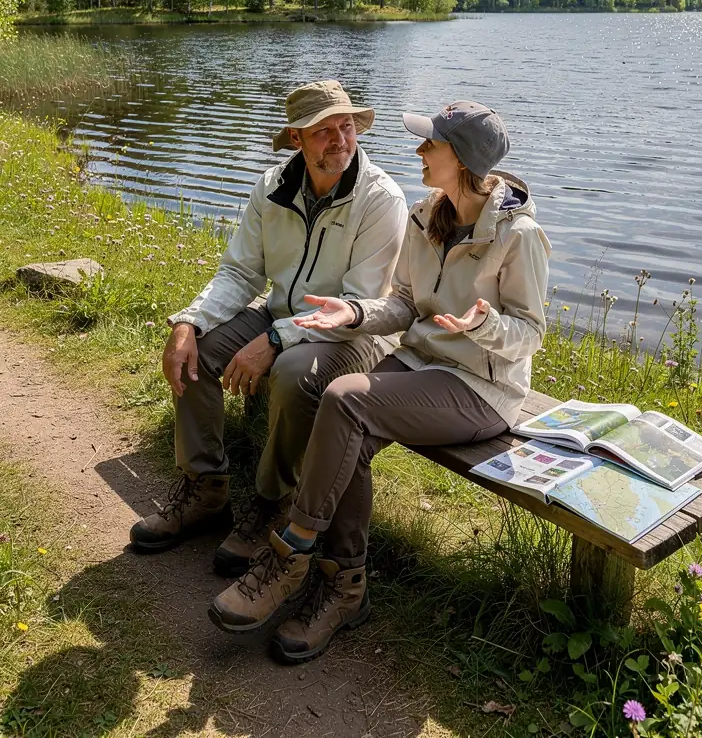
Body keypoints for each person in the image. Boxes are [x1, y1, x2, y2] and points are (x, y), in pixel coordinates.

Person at [207, 100, 551, 664]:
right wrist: (354, 313)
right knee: (347, 426)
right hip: (421, 365)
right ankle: (345, 589)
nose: (419, 151)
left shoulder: (519, 235)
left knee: (345, 399)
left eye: (431, 144)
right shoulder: (426, 216)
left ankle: (290, 554)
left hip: (482, 388)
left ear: (463, 159)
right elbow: (405, 304)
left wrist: (483, 325)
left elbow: (531, 334)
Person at [129, 79, 408, 576]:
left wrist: (278, 339)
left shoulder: (381, 199)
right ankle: (205, 490)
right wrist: (188, 322)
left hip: (357, 332)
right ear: (296, 138)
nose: (340, 140)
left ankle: (272, 502)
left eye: (347, 127)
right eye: (324, 131)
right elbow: (240, 273)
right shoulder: (272, 187)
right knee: (199, 351)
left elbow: (357, 302)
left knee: (294, 373)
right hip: (282, 314)